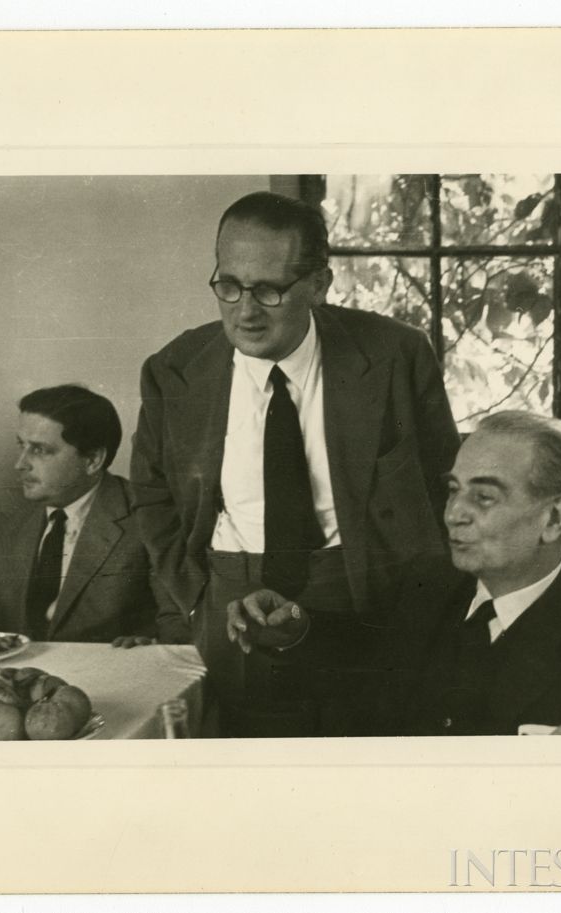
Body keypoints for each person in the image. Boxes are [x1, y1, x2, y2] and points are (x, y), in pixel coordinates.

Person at [130, 191, 460, 733]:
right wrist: (198, 600)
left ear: (319, 285)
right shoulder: (175, 370)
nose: (245, 310)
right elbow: (153, 494)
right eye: (229, 285)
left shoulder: (395, 356)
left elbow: (443, 485)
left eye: (269, 290)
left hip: (367, 599)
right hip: (231, 602)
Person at [230, 411, 561, 736]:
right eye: (453, 491)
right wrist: (294, 627)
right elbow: (366, 644)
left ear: (554, 518)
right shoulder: (430, 581)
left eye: (484, 497)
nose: (453, 515)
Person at [0, 385, 163, 644]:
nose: (19, 464)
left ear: (92, 460)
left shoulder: (148, 518)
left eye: (40, 450)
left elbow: (177, 623)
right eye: (21, 445)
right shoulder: (13, 527)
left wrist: (152, 643)